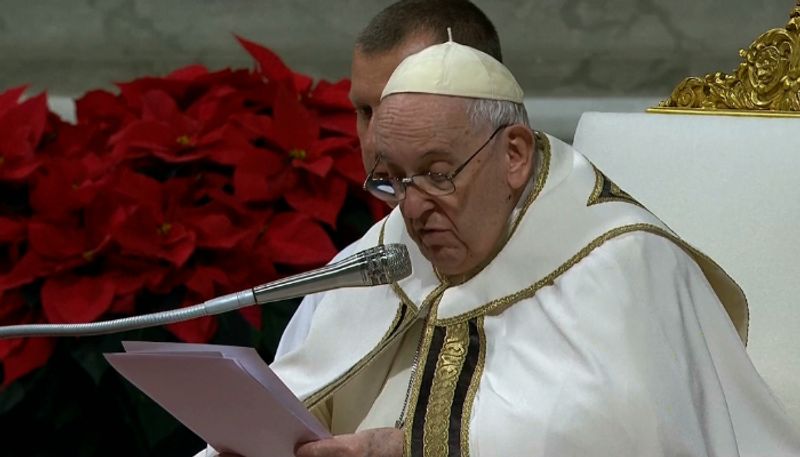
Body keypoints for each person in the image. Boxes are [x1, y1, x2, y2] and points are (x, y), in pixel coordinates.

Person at [200, 36, 800, 457]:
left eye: (439, 174)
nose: (411, 207)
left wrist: (402, 445)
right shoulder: (394, 241)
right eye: (392, 178)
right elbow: (305, 386)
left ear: (514, 154)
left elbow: (630, 437)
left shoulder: (621, 259)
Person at [275, 0, 505, 359]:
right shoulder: (351, 273)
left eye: (398, 106)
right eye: (366, 112)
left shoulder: (589, 267)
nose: (374, 141)